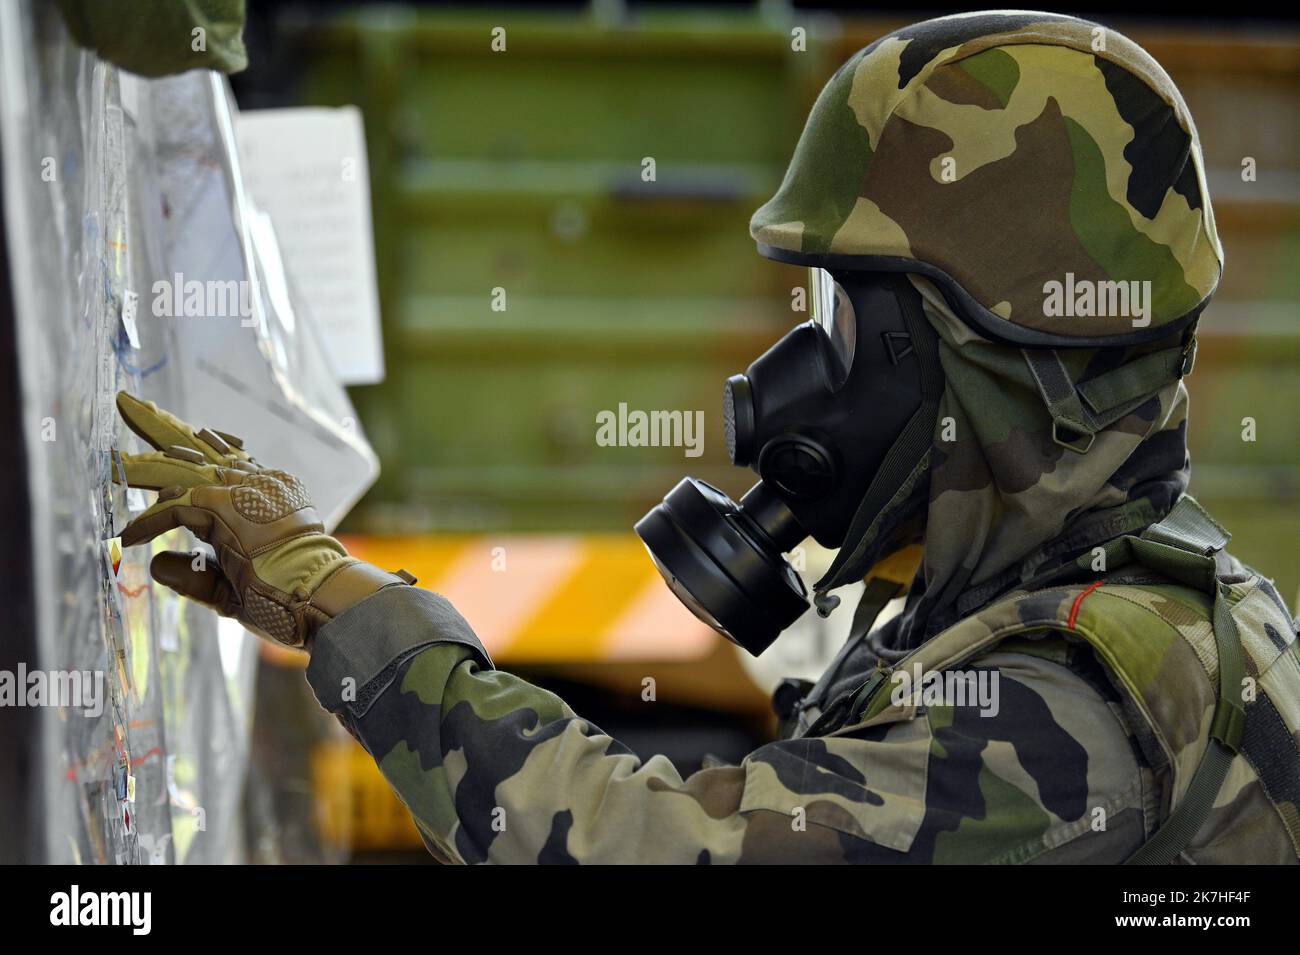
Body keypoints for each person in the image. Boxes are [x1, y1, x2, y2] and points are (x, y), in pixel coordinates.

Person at [114, 11, 1299, 864]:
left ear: (989, 358)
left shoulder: (1085, 700)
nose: (793, 376)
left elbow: (638, 843)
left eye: (844, 318)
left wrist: (349, 607)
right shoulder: (1074, 597)